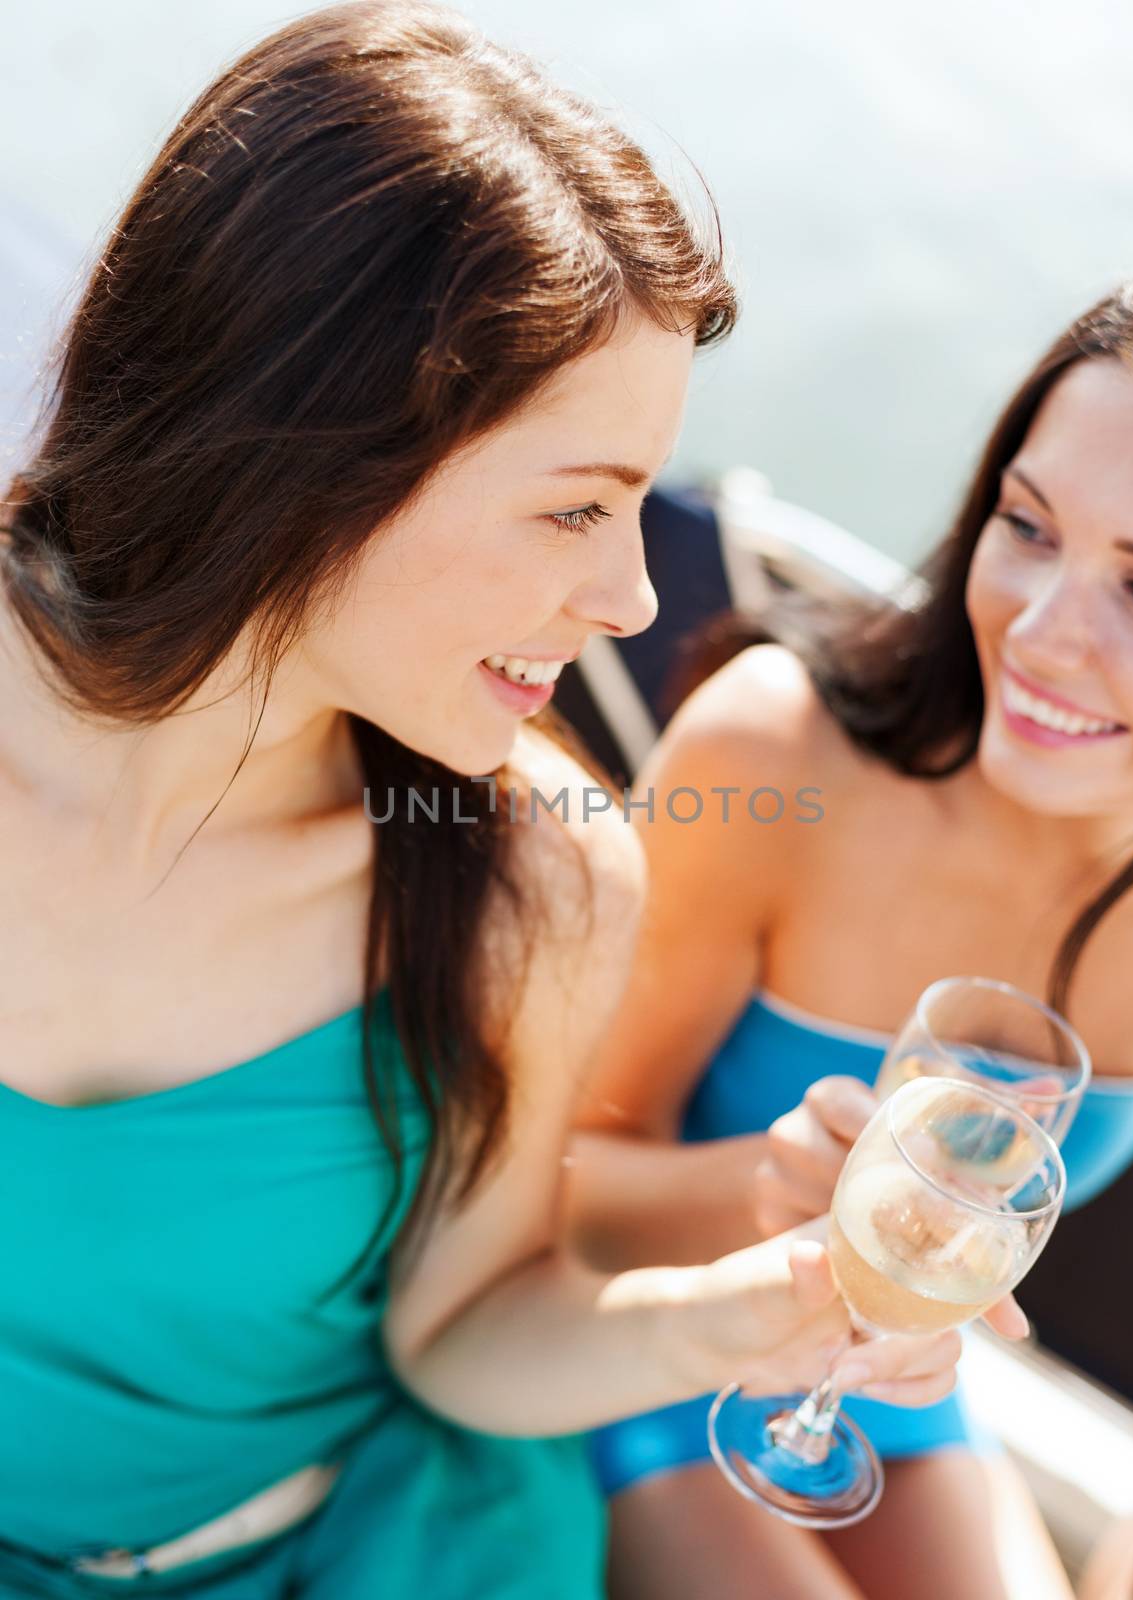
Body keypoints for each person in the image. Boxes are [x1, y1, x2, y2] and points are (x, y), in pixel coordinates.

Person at [0, 4, 976, 1596]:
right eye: (576, 508)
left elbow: (459, 1336)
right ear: (316, 459)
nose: (630, 598)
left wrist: (743, 1312)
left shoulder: (540, 877)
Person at [566, 268, 1133, 1600]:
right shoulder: (778, 752)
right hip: (639, 1357)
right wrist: (763, 1192)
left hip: (897, 1394)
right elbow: (549, 1194)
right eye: (1029, 524)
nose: (1043, 631)